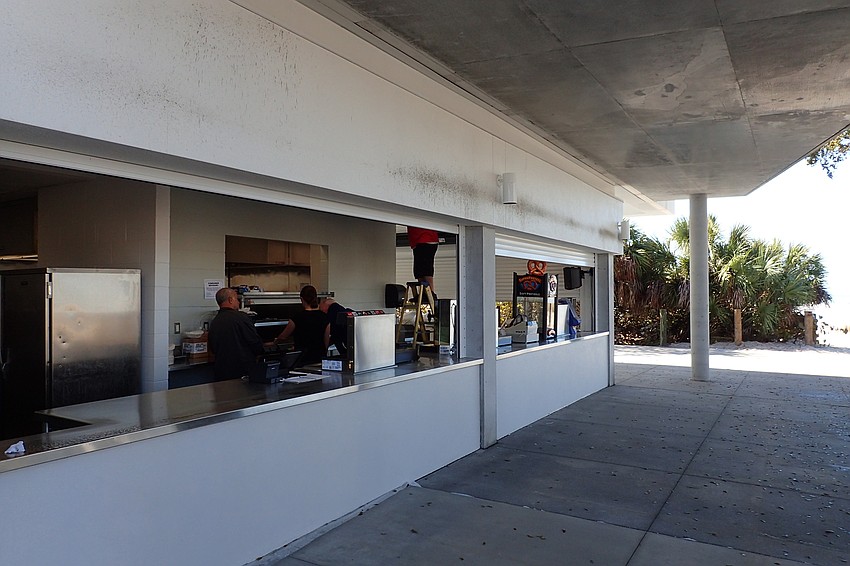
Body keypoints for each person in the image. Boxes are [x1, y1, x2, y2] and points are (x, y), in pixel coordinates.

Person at [208, 287, 266, 380]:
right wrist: (261, 352)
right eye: (237, 299)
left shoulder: (215, 321)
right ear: (231, 300)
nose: (238, 302)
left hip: (222, 372)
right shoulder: (241, 317)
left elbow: (213, 348)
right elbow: (254, 341)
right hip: (242, 371)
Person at [274, 285, 328, 365]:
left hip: (302, 359)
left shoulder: (297, 317)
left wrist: (275, 341)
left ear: (302, 299)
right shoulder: (325, 317)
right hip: (319, 359)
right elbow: (326, 340)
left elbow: (283, 336)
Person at [407, 226, 439, 295]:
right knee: (419, 272)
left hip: (426, 239)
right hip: (419, 241)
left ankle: (430, 294)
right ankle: (424, 294)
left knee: (426, 270)